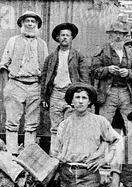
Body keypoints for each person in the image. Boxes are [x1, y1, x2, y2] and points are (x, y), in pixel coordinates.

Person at [0, 11, 48, 155]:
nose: (30, 24)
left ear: (37, 25)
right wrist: (7, 86)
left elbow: (45, 69)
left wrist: (42, 89)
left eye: (33, 21)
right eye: (27, 21)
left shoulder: (42, 44)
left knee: (32, 123)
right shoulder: (13, 40)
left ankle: (28, 154)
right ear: (22, 23)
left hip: (35, 84)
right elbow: (4, 64)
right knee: (12, 121)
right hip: (15, 83)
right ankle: (12, 153)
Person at [41, 23, 89, 155]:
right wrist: (44, 97)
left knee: (71, 126)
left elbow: (85, 77)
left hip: (71, 94)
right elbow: (44, 78)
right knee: (55, 128)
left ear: (71, 38)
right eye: (62, 35)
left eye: (68, 35)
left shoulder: (78, 56)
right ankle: (55, 156)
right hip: (55, 94)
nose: (65, 38)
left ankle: (69, 155)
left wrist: (83, 95)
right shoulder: (51, 57)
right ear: (58, 38)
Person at [92, 21, 132, 134]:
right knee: (104, 124)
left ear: (124, 36)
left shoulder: (129, 53)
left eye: (121, 34)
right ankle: (104, 151)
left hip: (126, 93)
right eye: (115, 33)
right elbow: (94, 71)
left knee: (131, 125)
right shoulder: (102, 52)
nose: (118, 36)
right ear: (110, 35)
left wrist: (128, 73)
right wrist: (107, 70)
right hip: (109, 92)